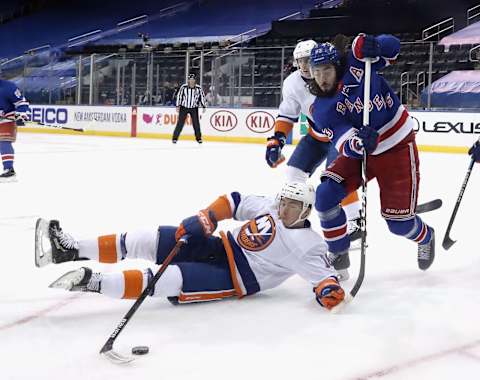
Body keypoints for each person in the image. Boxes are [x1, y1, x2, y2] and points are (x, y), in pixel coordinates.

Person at [35, 182, 345, 310]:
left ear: (306, 211)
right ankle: (71, 249)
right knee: (146, 238)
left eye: (293, 205)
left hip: (234, 278)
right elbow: (234, 201)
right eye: (284, 201)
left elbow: (325, 280)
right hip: (218, 246)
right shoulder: (272, 207)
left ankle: (93, 281)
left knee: (164, 279)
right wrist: (208, 217)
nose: (284, 208)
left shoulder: (308, 246)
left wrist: (329, 292)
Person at [308, 34, 435, 273]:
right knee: (324, 195)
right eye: (316, 71)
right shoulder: (321, 108)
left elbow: (393, 49)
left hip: (396, 145)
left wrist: (372, 43)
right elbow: (344, 142)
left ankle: (426, 236)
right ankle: (338, 251)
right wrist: (359, 144)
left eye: (326, 70)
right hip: (364, 152)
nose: (321, 78)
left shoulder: (359, 63)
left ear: (336, 66)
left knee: (398, 224)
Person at [265, 39, 362, 245]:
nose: (305, 66)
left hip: (341, 135)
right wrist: (276, 141)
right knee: (293, 173)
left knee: (335, 178)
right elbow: (287, 113)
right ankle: (295, 215)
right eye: (300, 61)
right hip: (316, 136)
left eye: (309, 60)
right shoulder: (292, 83)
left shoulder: (335, 76)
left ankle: (355, 219)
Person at [0, 78, 29, 182]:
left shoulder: (8, 87)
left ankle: (9, 170)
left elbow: (21, 102)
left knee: (4, 141)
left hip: (7, 119)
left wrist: (21, 114)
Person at [172, 73, 206, 144]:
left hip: (194, 108)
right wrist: (177, 106)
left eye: (193, 79)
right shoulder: (183, 87)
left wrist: (203, 106)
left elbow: (202, 97)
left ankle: (198, 138)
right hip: (184, 107)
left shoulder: (198, 88)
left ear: (195, 80)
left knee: (196, 123)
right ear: (188, 80)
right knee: (180, 123)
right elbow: (179, 96)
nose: (191, 81)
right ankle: (175, 138)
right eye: (190, 79)